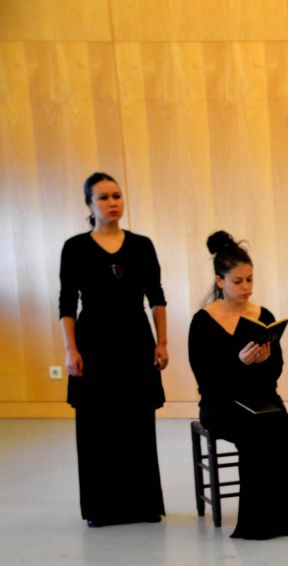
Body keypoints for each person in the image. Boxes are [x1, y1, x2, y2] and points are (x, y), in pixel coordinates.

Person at [187, 231, 288, 540]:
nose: (246, 287)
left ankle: (287, 516)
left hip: (260, 395)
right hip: (220, 403)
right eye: (238, 281)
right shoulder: (203, 322)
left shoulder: (263, 316)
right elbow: (206, 379)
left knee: (278, 423)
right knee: (253, 430)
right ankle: (258, 521)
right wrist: (240, 363)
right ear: (220, 281)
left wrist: (263, 362)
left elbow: (277, 369)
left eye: (250, 280)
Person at [59, 172, 168, 527]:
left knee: (137, 423)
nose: (112, 203)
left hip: (136, 341)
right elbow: (66, 302)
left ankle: (144, 504)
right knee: (96, 427)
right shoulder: (75, 247)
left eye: (117, 196)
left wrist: (162, 342)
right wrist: (70, 349)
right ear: (89, 204)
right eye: (104, 197)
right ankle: (100, 508)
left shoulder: (142, 245)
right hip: (94, 343)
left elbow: (156, 297)